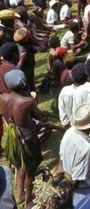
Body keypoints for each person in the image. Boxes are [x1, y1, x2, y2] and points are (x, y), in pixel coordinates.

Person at [0, 69, 43, 207]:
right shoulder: (27, 102)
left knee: (20, 164)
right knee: (30, 170)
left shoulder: (2, 98)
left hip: (14, 139)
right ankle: (29, 201)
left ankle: (19, 194)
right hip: (28, 139)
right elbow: (38, 116)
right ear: (23, 84)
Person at [60, 103, 90, 206]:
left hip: (69, 178)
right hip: (86, 188)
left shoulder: (69, 131)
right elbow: (76, 180)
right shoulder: (86, 148)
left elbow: (61, 159)